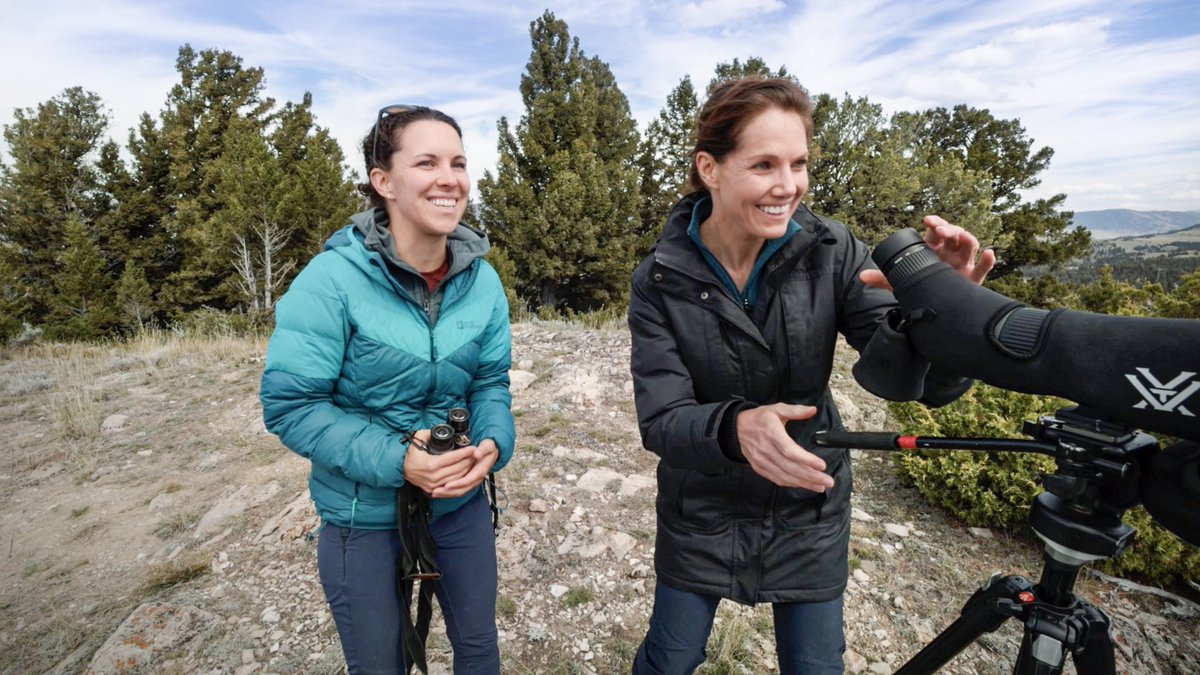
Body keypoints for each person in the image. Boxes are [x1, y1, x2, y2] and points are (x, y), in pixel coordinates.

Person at [627, 78, 995, 674]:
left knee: (816, 666)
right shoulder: (661, 279)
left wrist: (944, 314)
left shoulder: (833, 250)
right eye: (764, 164)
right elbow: (662, 420)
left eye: (798, 163)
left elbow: (903, 379)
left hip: (810, 505)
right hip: (702, 505)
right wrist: (735, 428)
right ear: (710, 168)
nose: (788, 185)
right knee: (670, 658)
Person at [260, 104, 514, 674]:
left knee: (478, 651)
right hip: (362, 517)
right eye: (426, 162)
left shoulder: (483, 280)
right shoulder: (331, 280)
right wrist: (401, 461)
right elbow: (291, 405)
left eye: (458, 162)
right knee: (380, 666)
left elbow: (490, 381)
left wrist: (494, 442)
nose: (449, 178)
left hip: (460, 507)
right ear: (383, 182)